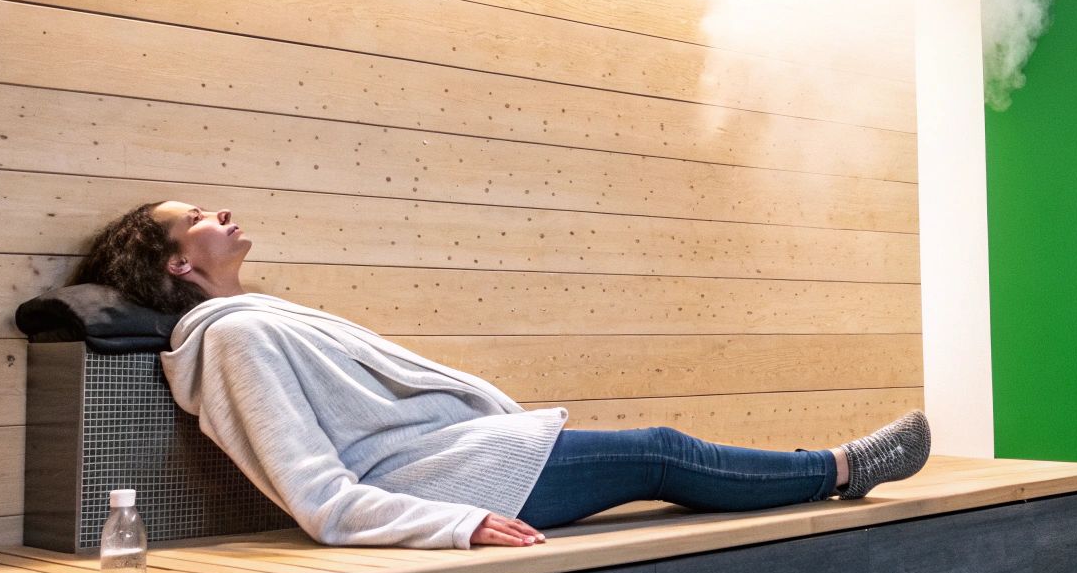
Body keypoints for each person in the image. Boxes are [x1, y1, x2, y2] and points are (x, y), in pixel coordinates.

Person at [67, 201, 932, 549]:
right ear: (179, 268)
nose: (222, 215)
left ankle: (816, 469)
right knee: (659, 451)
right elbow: (315, 491)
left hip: (469, 457)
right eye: (198, 221)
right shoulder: (230, 341)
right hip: (454, 482)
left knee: (657, 451)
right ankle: (840, 469)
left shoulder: (260, 318)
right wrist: (455, 524)